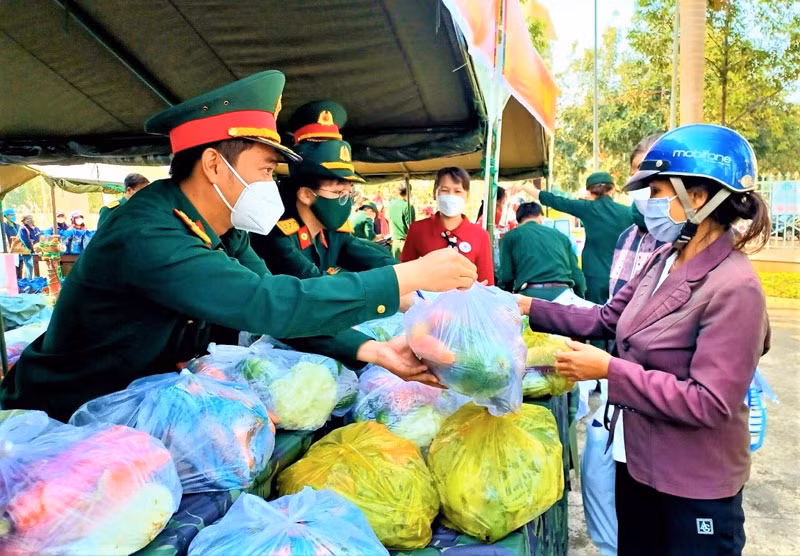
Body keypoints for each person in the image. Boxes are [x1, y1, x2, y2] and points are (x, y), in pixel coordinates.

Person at [0, 70, 477, 422]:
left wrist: (375, 350)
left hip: (125, 410)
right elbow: (268, 303)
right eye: (266, 170)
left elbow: (279, 303)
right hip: (57, 417)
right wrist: (408, 275)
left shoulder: (225, 230)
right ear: (214, 165)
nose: (272, 184)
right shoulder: (149, 234)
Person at [518, 124, 771, 555]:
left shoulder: (735, 286)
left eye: (656, 191)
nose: (647, 204)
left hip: (694, 484)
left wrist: (609, 370)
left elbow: (709, 402)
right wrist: (526, 307)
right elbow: (606, 318)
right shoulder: (664, 257)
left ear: (697, 197)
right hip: (640, 465)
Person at [523, 172, 633, 304]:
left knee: (596, 313)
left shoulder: (587, 208)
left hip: (594, 275)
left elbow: (556, 201)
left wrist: (525, 187)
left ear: (589, 191)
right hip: (622, 275)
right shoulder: (627, 212)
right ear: (613, 189)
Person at [401, 167, 494, 285]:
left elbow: (487, 283)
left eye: (458, 191)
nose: (451, 196)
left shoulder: (480, 235)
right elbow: (405, 275)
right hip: (425, 296)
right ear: (435, 193)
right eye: (445, 190)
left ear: (467, 195)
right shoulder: (417, 230)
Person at [609, 134, 665, 296]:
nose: (643, 186)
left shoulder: (685, 239)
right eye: (636, 176)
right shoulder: (627, 237)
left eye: (650, 177)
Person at [497, 202, 586, 301]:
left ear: (518, 221)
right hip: (563, 295)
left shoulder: (510, 237)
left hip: (530, 296)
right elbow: (577, 276)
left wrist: (503, 300)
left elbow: (506, 276)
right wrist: (580, 298)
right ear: (540, 217)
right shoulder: (561, 236)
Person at [388, 184, 415, 258]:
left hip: (395, 242)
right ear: (409, 192)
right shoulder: (408, 207)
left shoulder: (392, 206)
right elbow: (411, 227)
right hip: (405, 243)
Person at [18, 214, 41, 279]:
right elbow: (25, 241)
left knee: (36, 266)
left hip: (37, 251)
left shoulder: (36, 228)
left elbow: (40, 237)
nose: (29, 220)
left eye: (31, 218)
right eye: (27, 219)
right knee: (29, 267)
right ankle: (29, 281)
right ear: (23, 221)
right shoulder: (23, 229)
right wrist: (33, 248)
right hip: (27, 251)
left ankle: (36, 280)